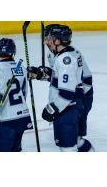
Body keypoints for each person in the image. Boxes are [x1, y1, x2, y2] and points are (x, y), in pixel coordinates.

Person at [28, 24, 91, 152]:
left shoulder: (65, 60)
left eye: (48, 39)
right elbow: (62, 78)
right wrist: (42, 74)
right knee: (77, 141)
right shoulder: (67, 53)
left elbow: (66, 93)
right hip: (78, 100)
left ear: (58, 40)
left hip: (69, 105)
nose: (45, 42)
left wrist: (52, 109)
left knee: (67, 148)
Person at [0, 38, 33, 152]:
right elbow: (24, 93)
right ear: (13, 52)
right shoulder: (21, 68)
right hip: (21, 117)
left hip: (5, 120)